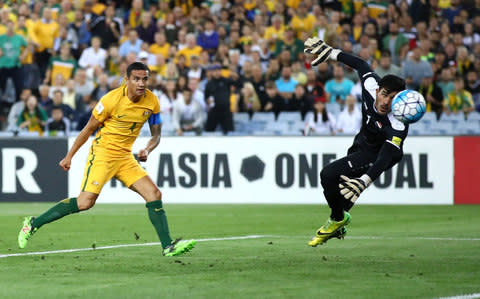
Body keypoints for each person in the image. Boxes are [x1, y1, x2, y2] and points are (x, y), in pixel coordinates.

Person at [18, 62, 196, 257]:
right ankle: (33, 224)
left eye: (145, 79)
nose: (141, 83)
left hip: (125, 157)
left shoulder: (152, 102)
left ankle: (167, 246)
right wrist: (69, 156)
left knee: (154, 194)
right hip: (103, 154)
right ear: (126, 80)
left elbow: (156, 136)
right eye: (136, 79)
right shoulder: (110, 100)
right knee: (85, 202)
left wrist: (147, 148)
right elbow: (88, 129)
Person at [304, 37, 407, 246]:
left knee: (328, 174)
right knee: (339, 190)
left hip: (378, 153)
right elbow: (361, 64)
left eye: (393, 98)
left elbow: (385, 157)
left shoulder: (398, 123)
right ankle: (339, 220)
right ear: (378, 91)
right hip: (361, 142)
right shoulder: (371, 85)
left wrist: (365, 181)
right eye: (385, 95)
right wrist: (332, 53)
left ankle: (337, 220)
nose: (386, 102)